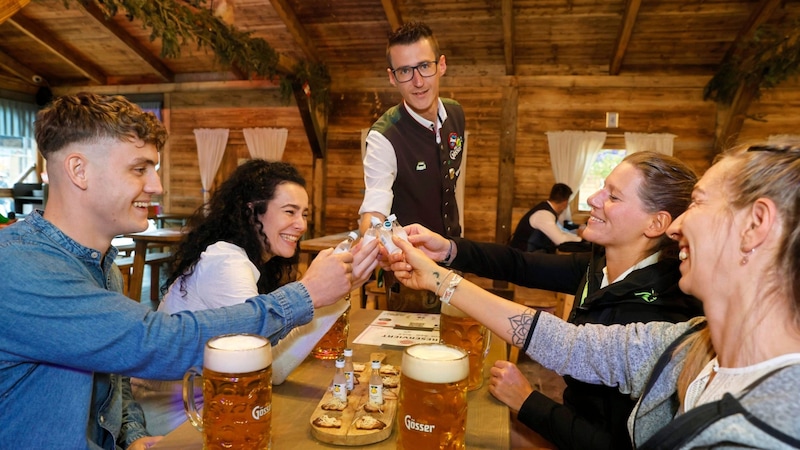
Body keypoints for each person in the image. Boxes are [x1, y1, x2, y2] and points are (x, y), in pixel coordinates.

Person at [0, 92, 378, 449]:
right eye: (139, 169)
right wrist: (307, 296)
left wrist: (130, 434)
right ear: (79, 170)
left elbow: (115, 375)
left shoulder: (104, 268)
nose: (157, 186)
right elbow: (156, 342)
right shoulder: (19, 267)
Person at [389, 141, 800, 448]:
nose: (679, 228)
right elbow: (567, 341)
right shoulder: (687, 343)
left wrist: (530, 402)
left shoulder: (763, 426)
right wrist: (445, 257)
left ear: (756, 225)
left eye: (697, 204)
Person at [132, 159, 375, 436]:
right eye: (289, 212)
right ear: (252, 212)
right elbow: (274, 369)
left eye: (304, 214)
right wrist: (324, 295)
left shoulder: (252, 260)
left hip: (219, 405)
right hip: (176, 421)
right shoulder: (227, 262)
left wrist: (339, 288)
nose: (300, 224)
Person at [358, 22, 466, 313]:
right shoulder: (383, 137)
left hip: (454, 257)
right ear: (392, 78)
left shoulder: (456, 114)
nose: (418, 81)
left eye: (424, 66)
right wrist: (376, 239)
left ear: (441, 65)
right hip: (409, 271)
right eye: (405, 71)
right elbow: (374, 208)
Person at [508, 182, 584, 253]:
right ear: (565, 202)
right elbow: (560, 240)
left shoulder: (547, 211)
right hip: (524, 257)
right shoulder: (544, 215)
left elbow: (561, 231)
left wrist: (578, 237)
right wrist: (580, 238)